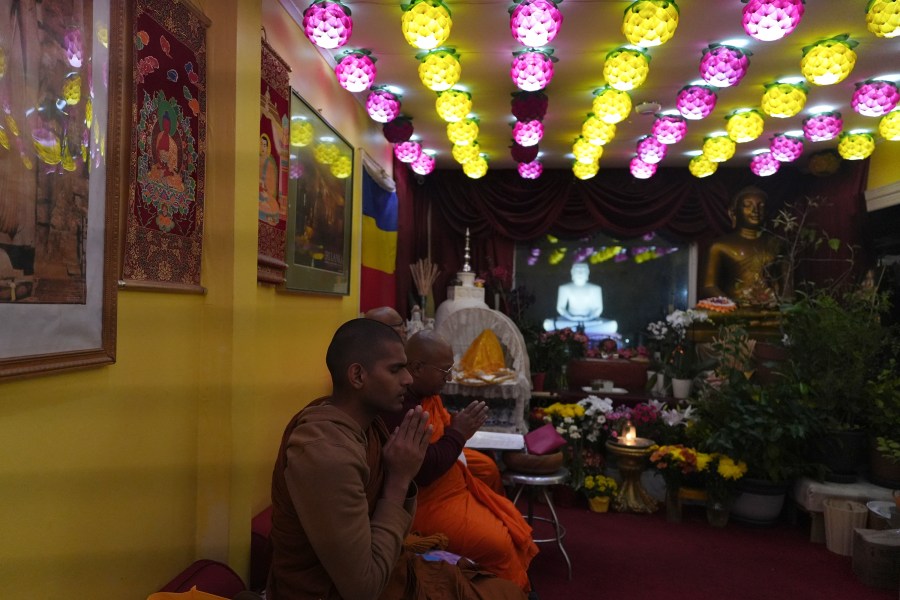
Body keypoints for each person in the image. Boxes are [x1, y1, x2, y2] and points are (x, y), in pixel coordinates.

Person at [267, 319, 526, 600]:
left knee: (499, 588)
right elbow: (362, 588)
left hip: (388, 565)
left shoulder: (369, 426)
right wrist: (399, 478)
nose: (407, 379)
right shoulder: (324, 453)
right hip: (326, 592)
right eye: (396, 369)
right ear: (357, 376)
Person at [382, 330, 539, 592]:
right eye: (445, 372)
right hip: (426, 499)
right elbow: (422, 470)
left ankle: (493, 586)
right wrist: (459, 432)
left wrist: (456, 427)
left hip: (448, 482)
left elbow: (438, 429)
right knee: (499, 544)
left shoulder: (424, 393)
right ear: (418, 368)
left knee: (491, 482)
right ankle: (499, 591)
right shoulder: (401, 402)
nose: (450, 378)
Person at [701, 186, 783, 307]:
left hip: (770, 308)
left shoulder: (776, 244)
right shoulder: (720, 246)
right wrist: (731, 305)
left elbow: (784, 285)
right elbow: (709, 286)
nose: (755, 211)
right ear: (733, 213)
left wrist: (779, 303)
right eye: (747, 205)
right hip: (734, 310)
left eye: (761, 206)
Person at [543, 262, 618, 336]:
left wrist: (589, 317)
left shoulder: (595, 288)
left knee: (612, 325)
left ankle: (574, 329)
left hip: (590, 320)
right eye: (577, 270)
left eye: (583, 270)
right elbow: (560, 308)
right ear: (572, 272)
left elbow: (598, 309)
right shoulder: (564, 288)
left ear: (588, 272)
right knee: (547, 324)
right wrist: (571, 317)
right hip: (569, 320)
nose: (580, 273)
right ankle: (578, 328)